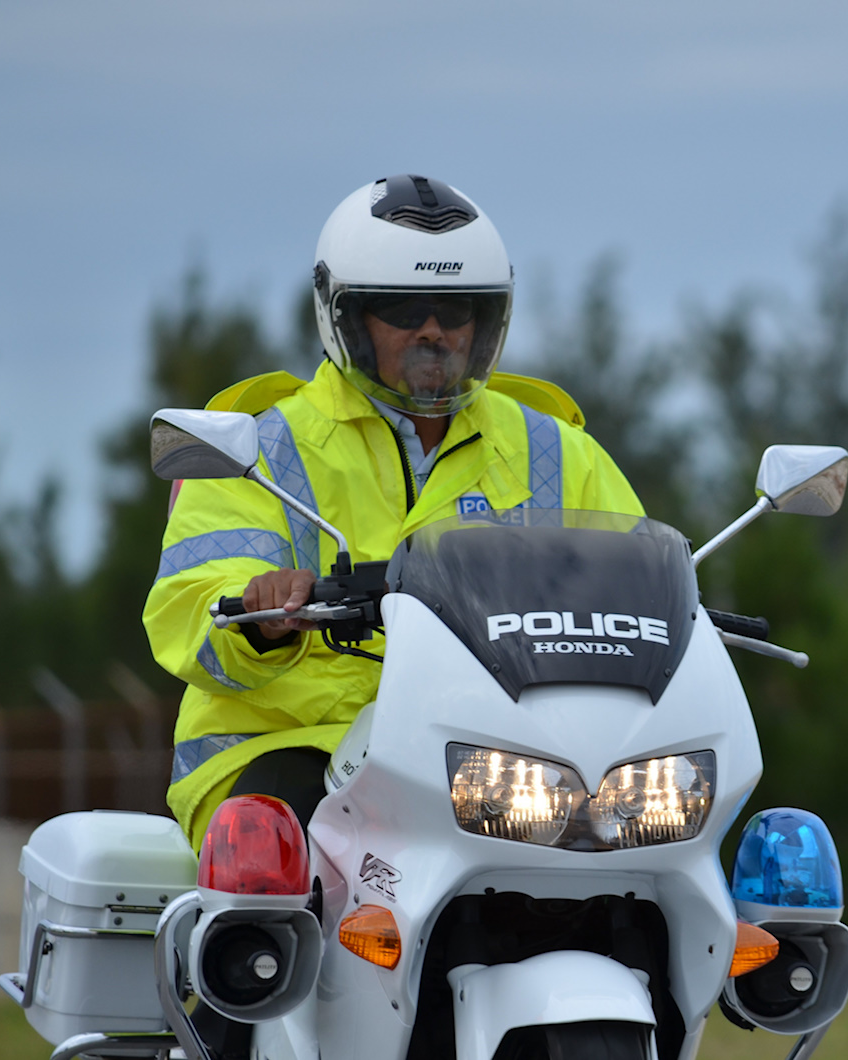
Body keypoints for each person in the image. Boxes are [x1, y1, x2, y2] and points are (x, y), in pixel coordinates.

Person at [145, 175, 644, 852]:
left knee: (653, 855)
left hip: (509, 758)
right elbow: (190, 604)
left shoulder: (558, 450)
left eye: (456, 310)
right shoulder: (257, 449)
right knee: (274, 857)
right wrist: (259, 618)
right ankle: (251, 961)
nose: (434, 331)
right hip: (300, 746)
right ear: (346, 318)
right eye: (404, 311)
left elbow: (639, 585)